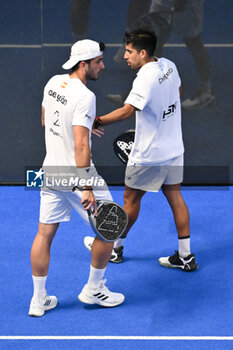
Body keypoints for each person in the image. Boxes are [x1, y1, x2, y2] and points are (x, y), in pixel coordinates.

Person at [84, 29, 198, 271]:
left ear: (143, 53)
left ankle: (114, 249)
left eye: (129, 51)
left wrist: (96, 121)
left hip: (149, 155)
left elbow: (127, 110)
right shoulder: (169, 65)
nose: (125, 56)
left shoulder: (143, 78)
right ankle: (186, 257)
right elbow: (176, 93)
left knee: (130, 199)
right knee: (175, 196)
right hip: (175, 148)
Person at [28, 39, 125, 317]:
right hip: (78, 175)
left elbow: (47, 120)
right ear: (84, 64)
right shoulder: (85, 96)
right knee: (111, 227)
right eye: (99, 62)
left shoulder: (53, 82)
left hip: (50, 172)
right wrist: (86, 186)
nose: (103, 66)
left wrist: (77, 129)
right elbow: (81, 146)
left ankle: (38, 300)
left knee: (44, 234)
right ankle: (94, 290)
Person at [109, 0, 216, 110]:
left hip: (187, 4)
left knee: (193, 41)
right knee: (154, 40)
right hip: (163, 2)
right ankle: (146, 92)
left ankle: (206, 92)